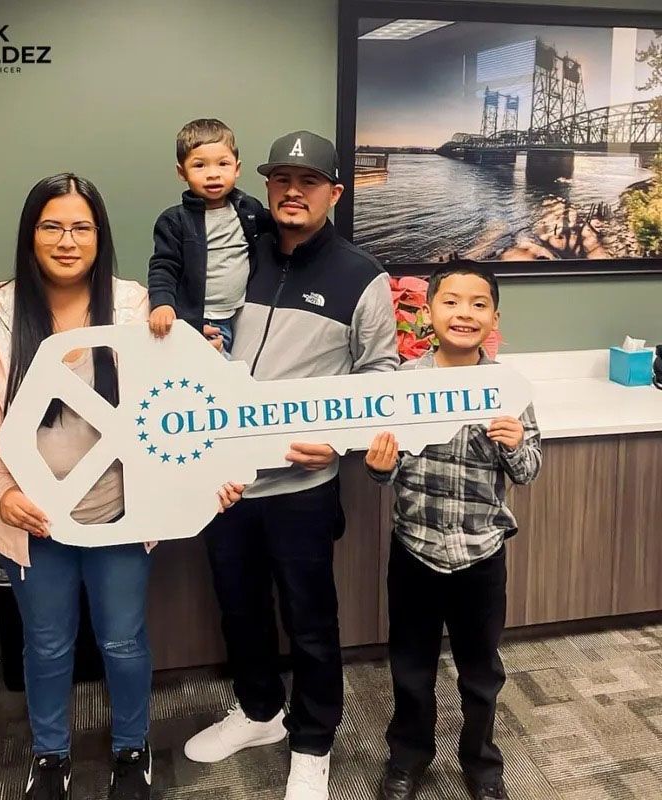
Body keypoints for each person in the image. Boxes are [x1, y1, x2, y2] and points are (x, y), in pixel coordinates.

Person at [0, 173, 242, 800]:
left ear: (100, 237)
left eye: (81, 227)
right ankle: (49, 757)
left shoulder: (136, 310)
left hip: (118, 514)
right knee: (46, 643)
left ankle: (131, 750)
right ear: (30, 235)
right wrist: (0, 490)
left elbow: (189, 401)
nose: (67, 240)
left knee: (123, 638)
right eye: (52, 226)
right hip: (33, 517)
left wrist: (211, 476)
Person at [183, 131, 398, 800]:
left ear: (334, 192)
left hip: (303, 485)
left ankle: (312, 740)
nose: (293, 192)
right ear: (266, 187)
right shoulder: (235, 257)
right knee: (238, 605)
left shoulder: (361, 276)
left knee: (309, 615)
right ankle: (258, 712)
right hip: (225, 479)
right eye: (282, 180)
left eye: (309, 181)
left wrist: (338, 439)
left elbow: (381, 375)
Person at [364, 262, 543, 800]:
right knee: (412, 666)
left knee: (481, 671)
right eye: (451, 302)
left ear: (493, 316)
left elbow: (530, 469)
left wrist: (515, 445)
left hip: (480, 555)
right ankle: (409, 758)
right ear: (428, 312)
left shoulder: (508, 387)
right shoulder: (401, 384)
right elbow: (385, 471)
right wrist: (377, 465)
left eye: (478, 303)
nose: (464, 313)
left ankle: (482, 764)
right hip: (415, 550)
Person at [147, 117, 268, 352]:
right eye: (200, 165)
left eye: (223, 164)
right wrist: (162, 304)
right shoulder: (174, 221)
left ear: (237, 168)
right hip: (203, 319)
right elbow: (163, 266)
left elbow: (276, 237)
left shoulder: (249, 209)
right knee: (216, 379)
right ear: (182, 172)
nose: (213, 174)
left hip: (244, 314)